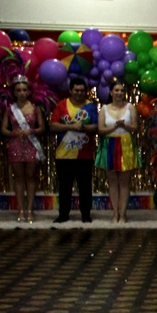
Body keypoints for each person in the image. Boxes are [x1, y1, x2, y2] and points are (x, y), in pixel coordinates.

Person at [50, 76, 97, 224]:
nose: (79, 93)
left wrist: (83, 127)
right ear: (70, 90)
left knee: (85, 187)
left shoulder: (90, 107)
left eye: (82, 90)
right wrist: (70, 127)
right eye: (76, 90)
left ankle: (86, 214)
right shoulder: (61, 105)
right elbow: (53, 126)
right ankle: (63, 214)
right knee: (64, 187)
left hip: (85, 154)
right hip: (64, 154)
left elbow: (96, 127)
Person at [0, 74, 46, 223]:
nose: (22, 93)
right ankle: (20, 209)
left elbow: (42, 128)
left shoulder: (35, 108)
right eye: (18, 90)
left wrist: (30, 131)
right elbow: (3, 129)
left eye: (24, 90)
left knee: (31, 177)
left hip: (32, 145)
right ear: (14, 92)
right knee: (19, 178)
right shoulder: (10, 109)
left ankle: (30, 209)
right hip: (16, 145)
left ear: (28, 91)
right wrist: (14, 133)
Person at [96, 81, 141, 223]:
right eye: (116, 90)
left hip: (126, 144)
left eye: (122, 90)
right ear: (111, 92)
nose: (119, 93)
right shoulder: (104, 109)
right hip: (109, 144)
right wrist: (115, 126)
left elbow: (135, 127)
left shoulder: (130, 107)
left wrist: (125, 126)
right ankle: (115, 213)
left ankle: (123, 214)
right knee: (113, 181)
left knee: (124, 182)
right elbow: (100, 130)